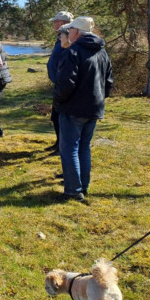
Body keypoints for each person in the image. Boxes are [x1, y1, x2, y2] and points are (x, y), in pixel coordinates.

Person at [54, 17, 114, 201]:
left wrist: (58, 102)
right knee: (83, 148)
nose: (68, 32)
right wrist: (99, 99)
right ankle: (82, 187)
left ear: (77, 32)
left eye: (70, 29)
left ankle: (73, 191)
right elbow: (108, 82)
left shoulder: (73, 52)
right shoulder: (102, 52)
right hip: (94, 108)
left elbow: (65, 83)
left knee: (69, 149)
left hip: (73, 108)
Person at [46, 11, 74, 154]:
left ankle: (62, 148)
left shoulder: (69, 38)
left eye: (55, 21)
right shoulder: (60, 38)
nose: (53, 24)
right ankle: (58, 144)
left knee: (61, 118)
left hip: (63, 85)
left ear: (63, 23)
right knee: (56, 117)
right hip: (58, 85)